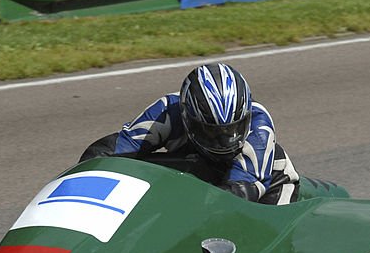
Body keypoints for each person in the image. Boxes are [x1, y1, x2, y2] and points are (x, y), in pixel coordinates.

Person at [80, 62, 299, 204]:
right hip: (203, 174)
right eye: (211, 131)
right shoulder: (168, 111)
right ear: (187, 116)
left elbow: (241, 193)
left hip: (268, 190)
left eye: (232, 129)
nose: (224, 140)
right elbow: (110, 151)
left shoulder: (259, 125)